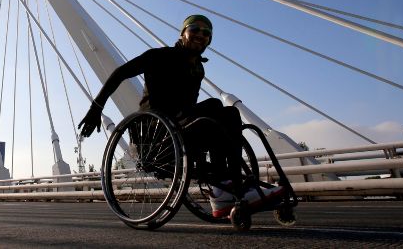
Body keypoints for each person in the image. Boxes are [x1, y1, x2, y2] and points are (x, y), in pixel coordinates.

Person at [78, 14, 284, 218]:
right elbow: (120, 73)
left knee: (227, 112)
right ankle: (224, 188)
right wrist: (96, 107)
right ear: (183, 33)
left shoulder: (198, 68)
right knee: (213, 107)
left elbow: (190, 107)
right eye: (194, 29)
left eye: (206, 33)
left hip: (182, 127)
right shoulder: (158, 56)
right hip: (155, 135)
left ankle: (227, 185)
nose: (201, 35)